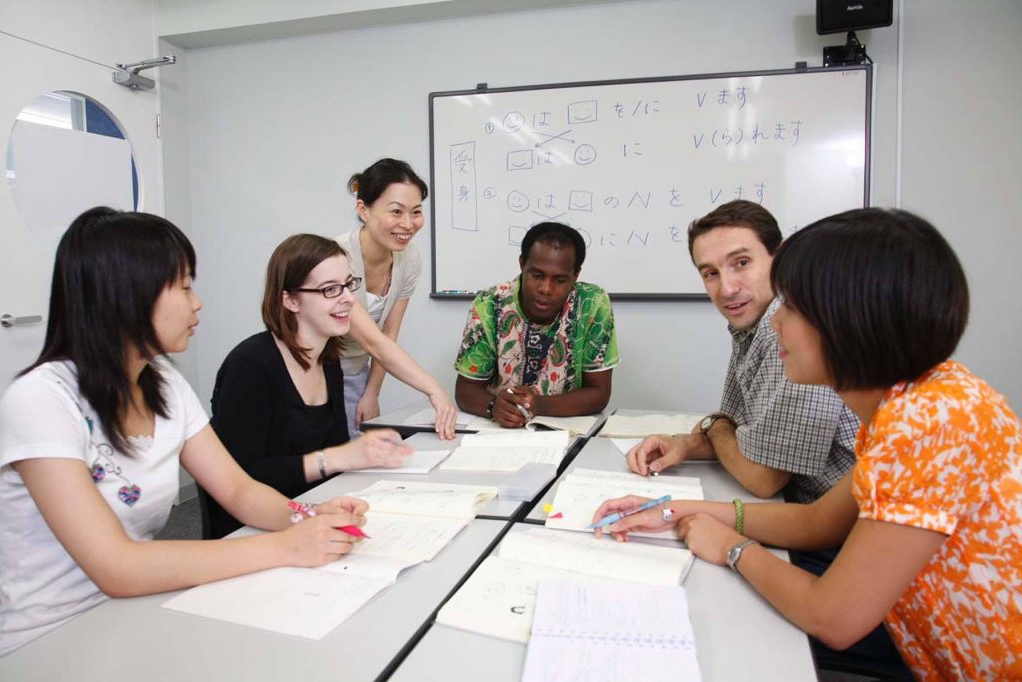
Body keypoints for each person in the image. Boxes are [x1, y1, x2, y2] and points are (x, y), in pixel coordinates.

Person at [594, 208, 1022, 680]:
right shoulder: (913, 403)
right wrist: (671, 511)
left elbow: (833, 618)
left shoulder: (929, 423)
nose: (777, 322)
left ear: (852, 319)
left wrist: (733, 548)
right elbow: (818, 520)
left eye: (793, 308)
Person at [0, 208, 369, 657]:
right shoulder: (41, 399)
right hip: (46, 637)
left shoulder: (165, 384)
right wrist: (288, 547)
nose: (197, 303)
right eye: (184, 286)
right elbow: (116, 566)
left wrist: (310, 517)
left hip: (139, 608)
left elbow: (238, 490)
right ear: (126, 294)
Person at [208, 234, 457, 538]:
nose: (349, 299)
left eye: (349, 284)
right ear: (290, 300)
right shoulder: (250, 365)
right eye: (330, 289)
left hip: (313, 511)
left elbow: (334, 453)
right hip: (253, 531)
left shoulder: (328, 360)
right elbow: (241, 476)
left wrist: (366, 454)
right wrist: (339, 458)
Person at [626, 200, 857, 505]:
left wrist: (714, 426)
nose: (727, 289)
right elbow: (737, 434)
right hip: (805, 509)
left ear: (782, 258)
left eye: (742, 262)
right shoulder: (751, 327)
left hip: (841, 520)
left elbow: (763, 477)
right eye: (711, 273)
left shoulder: (797, 328)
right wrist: (685, 444)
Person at [454, 221, 618, 428]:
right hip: (500, 430)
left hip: (566, 430)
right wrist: (493, 407)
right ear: (522, 265)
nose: (546, 289)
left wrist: (539, 405)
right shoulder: (489, 305)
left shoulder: (592, 304)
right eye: (537, 275)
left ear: (576, 275)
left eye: (560, 280)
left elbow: (599, 393)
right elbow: (465, 390)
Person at [336, 158, 428, 436]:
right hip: (315, 372)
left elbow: (388, 332)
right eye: (396, 211)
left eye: (416, 212)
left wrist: (371, 392)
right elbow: (372, 340)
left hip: (357, 372)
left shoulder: (409, 258)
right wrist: (433, 390)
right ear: (363, 210)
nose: (408, 224)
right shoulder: (337, 257)